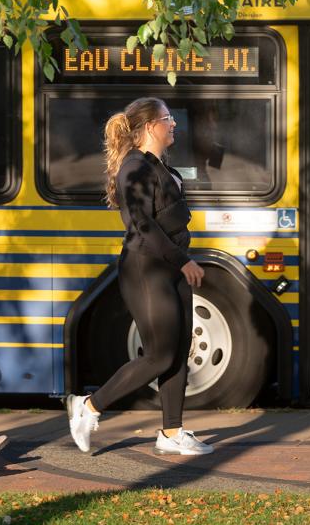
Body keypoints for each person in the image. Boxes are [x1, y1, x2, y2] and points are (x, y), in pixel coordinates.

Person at [65, 97, 214, 456]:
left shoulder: (157, 163)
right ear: (150, 127)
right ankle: (88, 407)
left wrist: (180, 261)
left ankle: (171, 432)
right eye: (167, 118)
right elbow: (142, 226)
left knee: (178, 351)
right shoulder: (134, 167)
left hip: (171, 267)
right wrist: (183, 261)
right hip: (146, 270)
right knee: (160, 355)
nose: (174, 123)